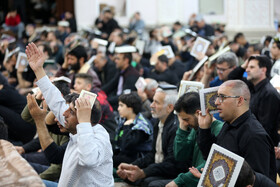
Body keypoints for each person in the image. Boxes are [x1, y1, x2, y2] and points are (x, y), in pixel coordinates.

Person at [25, 42, 114, 187]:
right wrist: (39, 70)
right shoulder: (76, 125)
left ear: (84, 119)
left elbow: (88, 159)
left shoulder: (99, 135)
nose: (63, 114)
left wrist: (84, 122)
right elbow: (55, 100)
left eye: (71, 112)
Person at [197, 80, 276, 182]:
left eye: (222, 97)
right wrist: (204, 129)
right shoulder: (230, 123)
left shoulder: (253, 135)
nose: (216, 102)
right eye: (217, 97)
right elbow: (211, 156)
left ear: (239, 101)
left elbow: (255, 181)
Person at [117, 88, 187, 187]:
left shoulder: (175, 128)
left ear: (170, 108)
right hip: (159, 168)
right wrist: (132, 166)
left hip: (171, 172)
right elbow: (152, 154)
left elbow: (172, 164)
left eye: (156, 102)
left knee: (150, 183)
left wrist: (143, 172)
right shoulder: (158, 122)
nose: (151, 105)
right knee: (130, 176)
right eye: (153, 101)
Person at [165, 92, 223, 187]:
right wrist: (182, 129)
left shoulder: (219, 130)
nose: (185, 123)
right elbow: (180, 156)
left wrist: (180, 181)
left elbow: (211, 162)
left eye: (186, 119)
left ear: (198, 113)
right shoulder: (195, 128)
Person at [228, 55, 280, 146]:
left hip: (259, 145)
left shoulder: (269, 93)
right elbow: (231, 79)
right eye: (247, 67)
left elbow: (264, 128)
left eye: (251, 67)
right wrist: (243, 66)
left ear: (263, 70)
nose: (247, 70)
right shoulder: (251, 85)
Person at [73, 73, 117, 142]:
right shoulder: (85, 97)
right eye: (75, 83)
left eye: (79, 83)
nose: (74, 86)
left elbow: (92, 122)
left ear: (88, 86)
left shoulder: (97, 100)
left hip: (107, 134)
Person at [114, 92, 153, 167]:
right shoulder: (123, 120)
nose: (118, 109)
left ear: (130, 108)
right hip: (124, 155)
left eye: (121, 106)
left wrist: (127, 126)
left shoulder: (142, 126)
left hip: (137, 159)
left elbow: (127, 146)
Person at [102, 46, 140, 110]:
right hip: (116, 100)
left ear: (126, 60)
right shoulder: (121, 70)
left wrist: (106, 100)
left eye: (118, 59)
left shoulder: (132, 75)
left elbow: (124, 96)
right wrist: (99, 92)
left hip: (124, 106)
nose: (115, 61)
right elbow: (111, 85)